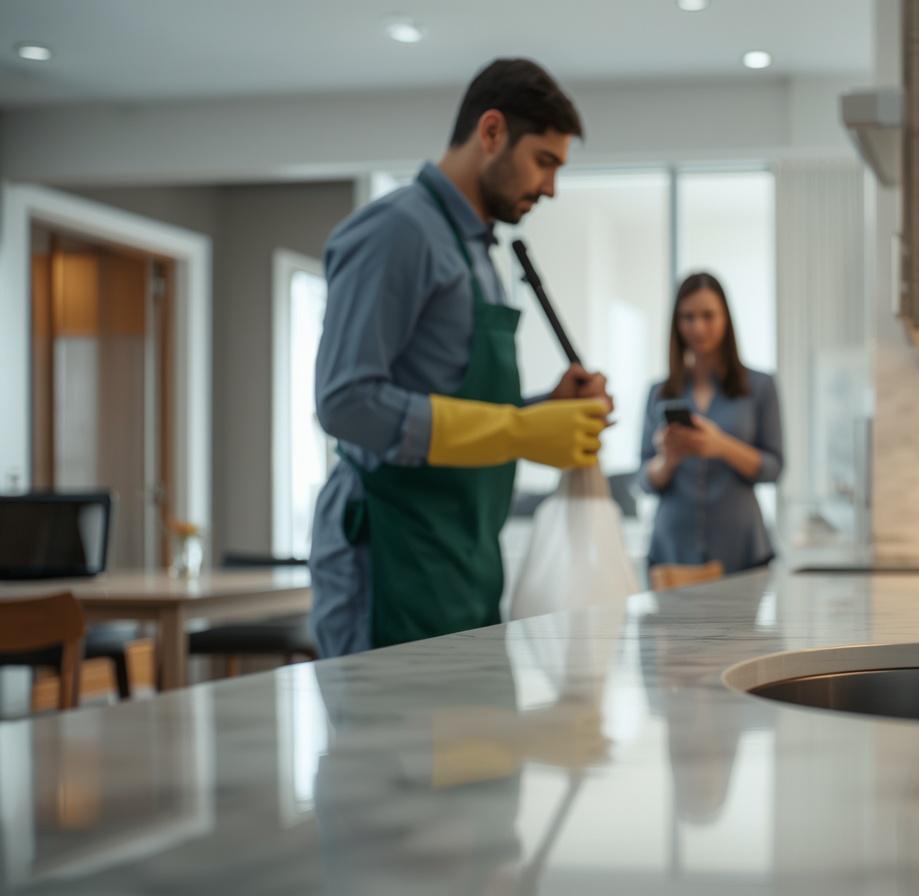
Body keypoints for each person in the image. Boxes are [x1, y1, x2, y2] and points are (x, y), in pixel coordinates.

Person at [309, 59, 612, 657]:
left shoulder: (477, 252)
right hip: (393, 557)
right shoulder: (398, 232)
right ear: (492, 132)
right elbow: (345, 402)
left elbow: (460, 405)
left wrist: (545, 410)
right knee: (388, 747)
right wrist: (520, 429)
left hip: (463, 557)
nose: (550, 187)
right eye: (544, 161)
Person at [639, 273, 783, 573]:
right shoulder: (659, 392)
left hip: (742, 550)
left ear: (725, 319)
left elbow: (773, 468)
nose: (698, 327)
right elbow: (643, 480)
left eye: (708, 316)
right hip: (671, 550)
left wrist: (721, 446)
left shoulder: (760, 386)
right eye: (687, 317)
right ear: (676, 324)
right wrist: (667, 460)